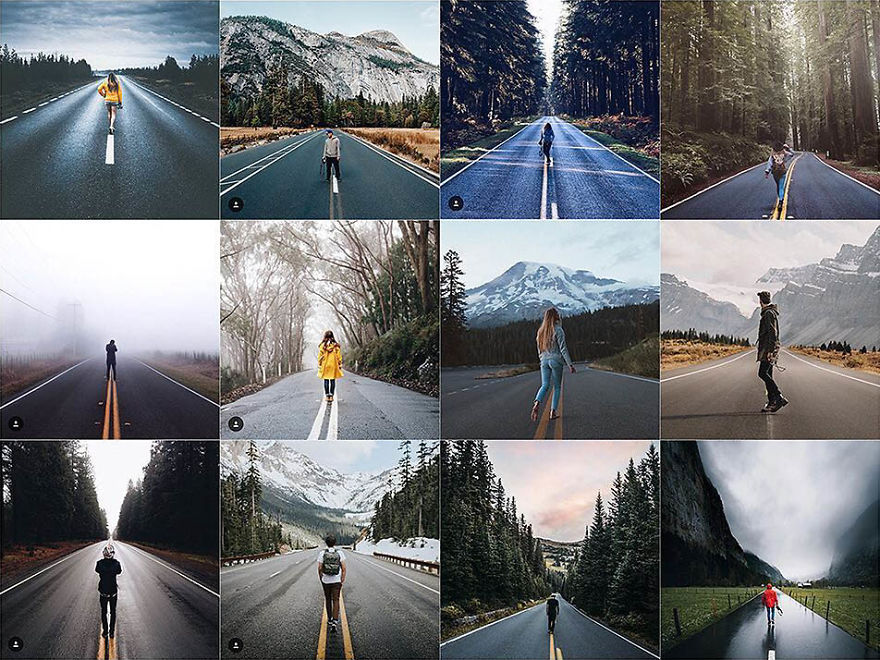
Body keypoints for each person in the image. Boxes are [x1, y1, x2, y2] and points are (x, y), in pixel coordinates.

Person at [531, 308, 576, 422]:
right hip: (555, 360)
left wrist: (542, 359)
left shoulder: (540, 331)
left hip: (544, 361)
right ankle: (552, 412)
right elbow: (563, 349)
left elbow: (539, 349)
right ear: (556, 317)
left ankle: (537, 403)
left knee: (545, 385)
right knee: (557, 387)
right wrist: (570, 365)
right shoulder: (558, 330)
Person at [756, 291, 788, 413]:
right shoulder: (769, 313)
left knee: (762, 373)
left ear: (761, 301)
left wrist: (770, 351)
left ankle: (779, 397)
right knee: (768, 374)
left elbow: (772, 333)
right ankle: (771, 401)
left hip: (768, 349)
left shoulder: (768, 313)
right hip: (769, 348)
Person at [317, 535, 346, 633]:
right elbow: (344, 568)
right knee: (336, 600)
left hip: (326, 580)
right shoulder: (340, 553)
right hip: (336, 580)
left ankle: (329, 619)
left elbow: (320, 568)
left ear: (326, 543)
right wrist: (342, 579)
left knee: (328, 599)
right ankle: (335, 621)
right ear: (334, 543)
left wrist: (321, 578)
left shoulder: (322, 553)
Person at [96, 543, 123, 639]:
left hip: (103, 593)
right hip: (113, 593)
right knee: (113, 612)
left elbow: (97, 570)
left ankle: (105, 631)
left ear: (104, 554)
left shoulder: (99, 563)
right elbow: (119, 571)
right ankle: (111, 632)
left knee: (104, 612)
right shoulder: (116, 564)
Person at [318, 331, 343, 403]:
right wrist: (339, 364)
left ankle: (327, 396)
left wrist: (319, 364)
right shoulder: (335, 346)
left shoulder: (323, 345)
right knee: (332, 380)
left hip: (325, 365)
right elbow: (339, 356)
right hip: (333, 365)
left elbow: (320, 356)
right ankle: (331, 396)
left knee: (326, 380)